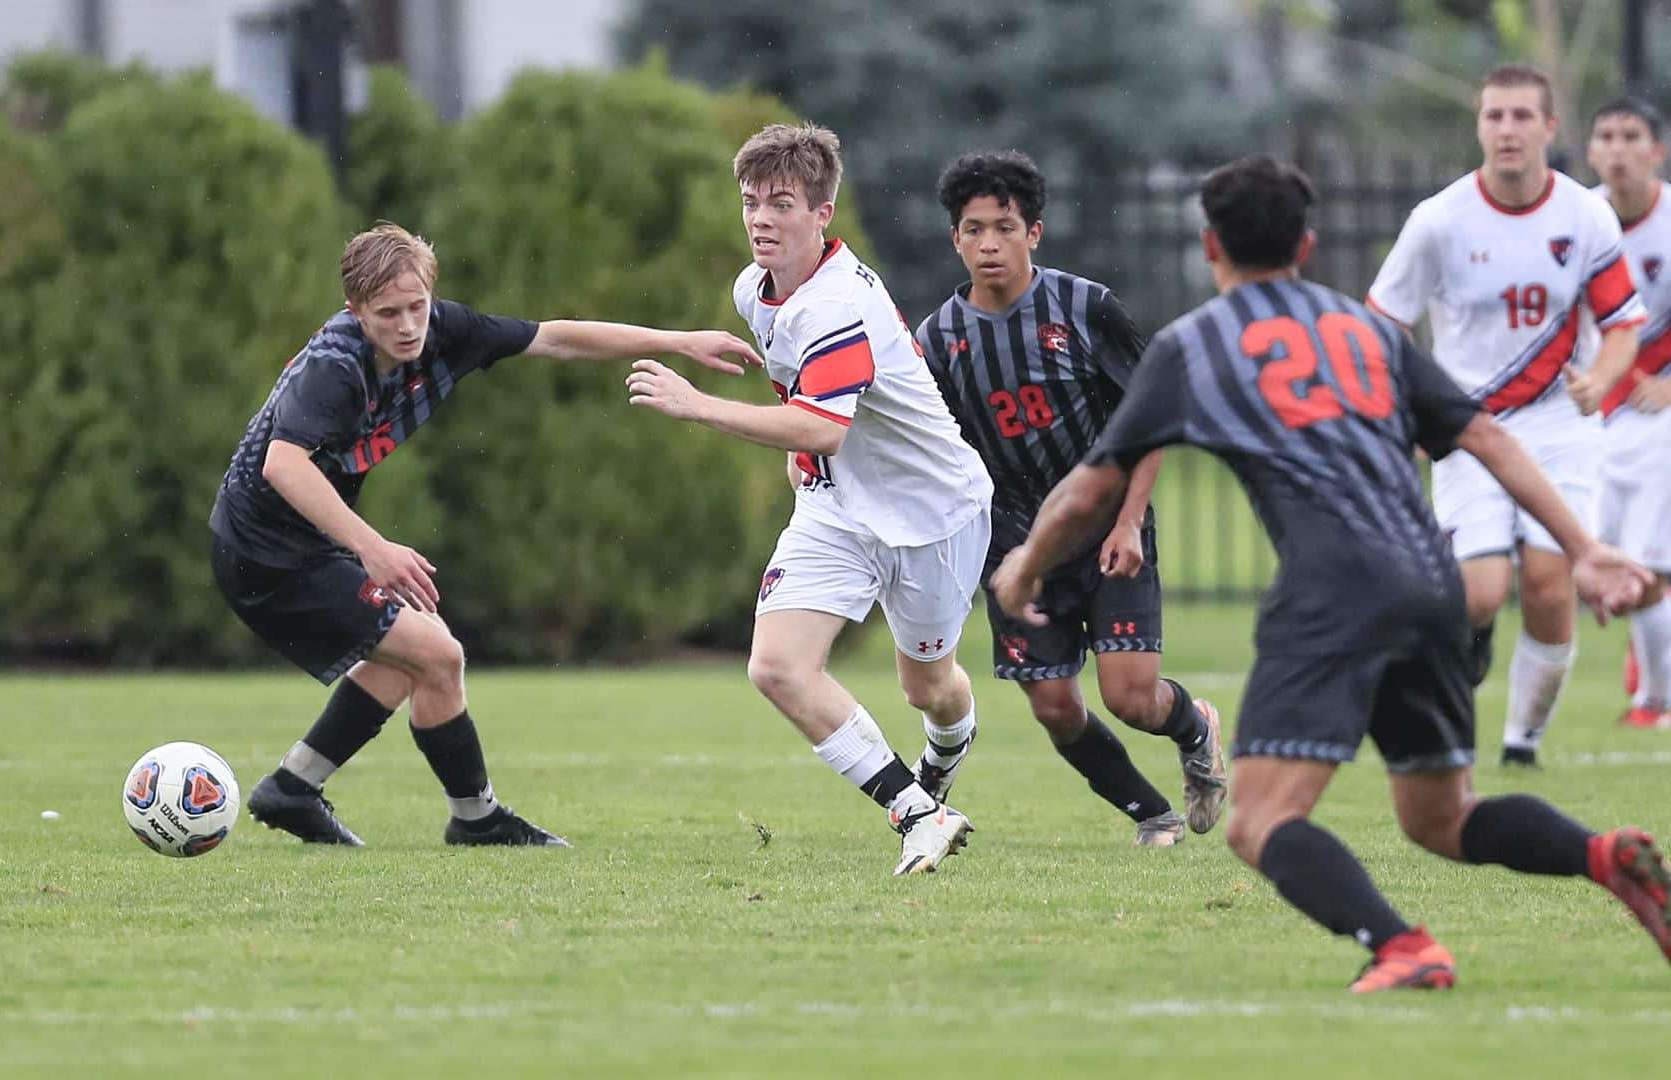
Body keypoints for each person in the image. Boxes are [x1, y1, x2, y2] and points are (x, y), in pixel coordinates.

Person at [993, 154, 1670, 992]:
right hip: (1434, 577)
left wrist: (1024, 569)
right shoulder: (1369, 330)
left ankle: (1402, 946)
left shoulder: (1195, 343)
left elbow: (1094, 482)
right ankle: (1602, 855)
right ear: (1307, 244)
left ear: (1211, 246)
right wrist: (1585, 549)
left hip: (1334, 588)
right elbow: (1489, 437)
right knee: (1441, 818)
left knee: (1258, 821)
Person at [210, 222, 762, 847]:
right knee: (437, 654)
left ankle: (292, 788)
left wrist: (678, 340)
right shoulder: (336, 369)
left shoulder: (444, 330)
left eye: (416, 306)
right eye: (387, 313)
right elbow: (283, 465)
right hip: (265, 556)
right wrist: (373, 546)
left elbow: (555, 338)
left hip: (303, 543)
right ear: (355, 311)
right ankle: (475, 819)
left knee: (408, 657)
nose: (407, 326)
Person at [624, 123, 993, 875]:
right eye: (751, 201)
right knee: (777, 666)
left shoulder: (836, 304)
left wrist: (697, 406)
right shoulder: (754, 289)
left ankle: (946, 753)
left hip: (932, 515)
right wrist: (798, 445)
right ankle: (918, 811)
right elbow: (803, 404)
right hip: (837, 509)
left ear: (823, 214)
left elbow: (824, 427)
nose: (761, 218)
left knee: (927, 685)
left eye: (782, 202)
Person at [914, 150, 1225, 847]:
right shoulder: (938, 340)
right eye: (973, 229)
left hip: (1108, 528)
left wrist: (1131, 521)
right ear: (954, 238)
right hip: (1013, 545)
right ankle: (1153, 817)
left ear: (1035, 232)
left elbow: (1148, 419)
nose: (989, 243)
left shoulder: (1085, 308)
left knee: (1131, 698)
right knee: (1055, 706)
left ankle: (1196, 727)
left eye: (1004, 226)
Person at [1366, 64, 1645, 767]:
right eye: (1495, 116)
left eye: (1523, 116)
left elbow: (1622, 323)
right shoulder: (1438, 220)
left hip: (1560, 426)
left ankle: (1522, 744)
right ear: (1480, 126)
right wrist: (1409, 416)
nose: (1507, 130)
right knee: (1481, 593)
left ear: (1551, 128)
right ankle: (1477, 640)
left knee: (1552, 585)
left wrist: (1602, 380)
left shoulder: (1585, 215)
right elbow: (1381, 326)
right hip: (1469, 430)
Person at [1586, 97, 1671, 730]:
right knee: (1602, 562)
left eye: (1631, 136)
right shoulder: (1581, 220)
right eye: (1606, 136)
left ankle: (1653, 703)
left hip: (1659, 418)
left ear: (1656, 151)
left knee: (1648, 565)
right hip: (1593, 420)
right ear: (1591, 151)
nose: (1617, 148)